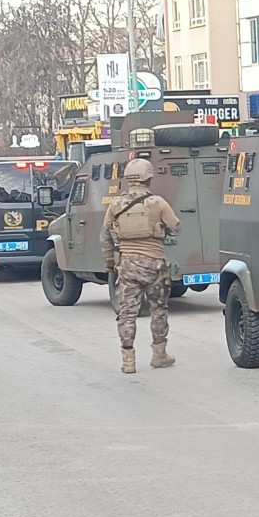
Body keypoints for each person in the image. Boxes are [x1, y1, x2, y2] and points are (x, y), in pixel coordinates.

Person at [102, 158, 180, 374]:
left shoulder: (115, 205)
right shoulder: (158, 203)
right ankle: (159, 355)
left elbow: (105, 237)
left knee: (127, 313)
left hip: (127, 265)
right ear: (148, 178)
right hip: (155, 264)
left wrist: (110, 262)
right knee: (159, 309)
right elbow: (176, 228)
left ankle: (128, 361)